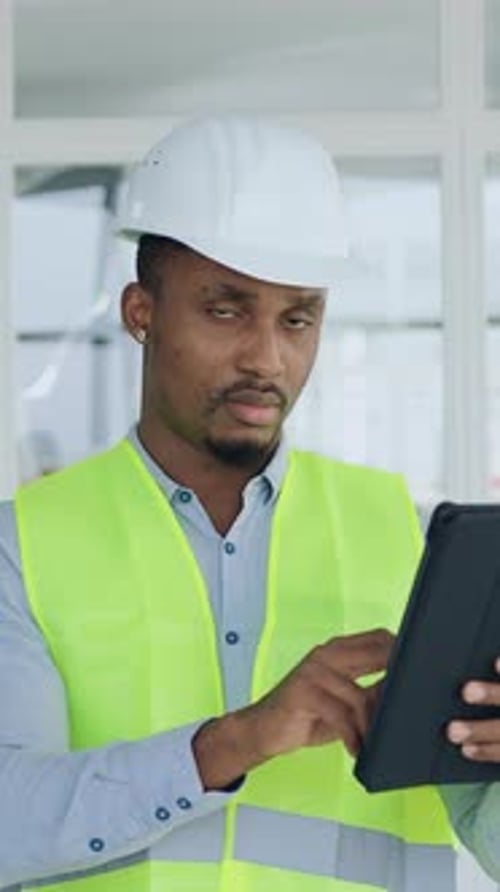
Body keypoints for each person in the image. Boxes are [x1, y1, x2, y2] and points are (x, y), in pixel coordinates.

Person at [0, 114, 497, 892]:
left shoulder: (410, 540)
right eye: (225, 309)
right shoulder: (22, 544)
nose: (267, 358)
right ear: (142, 313)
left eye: (297, 318)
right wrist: (234, 741)